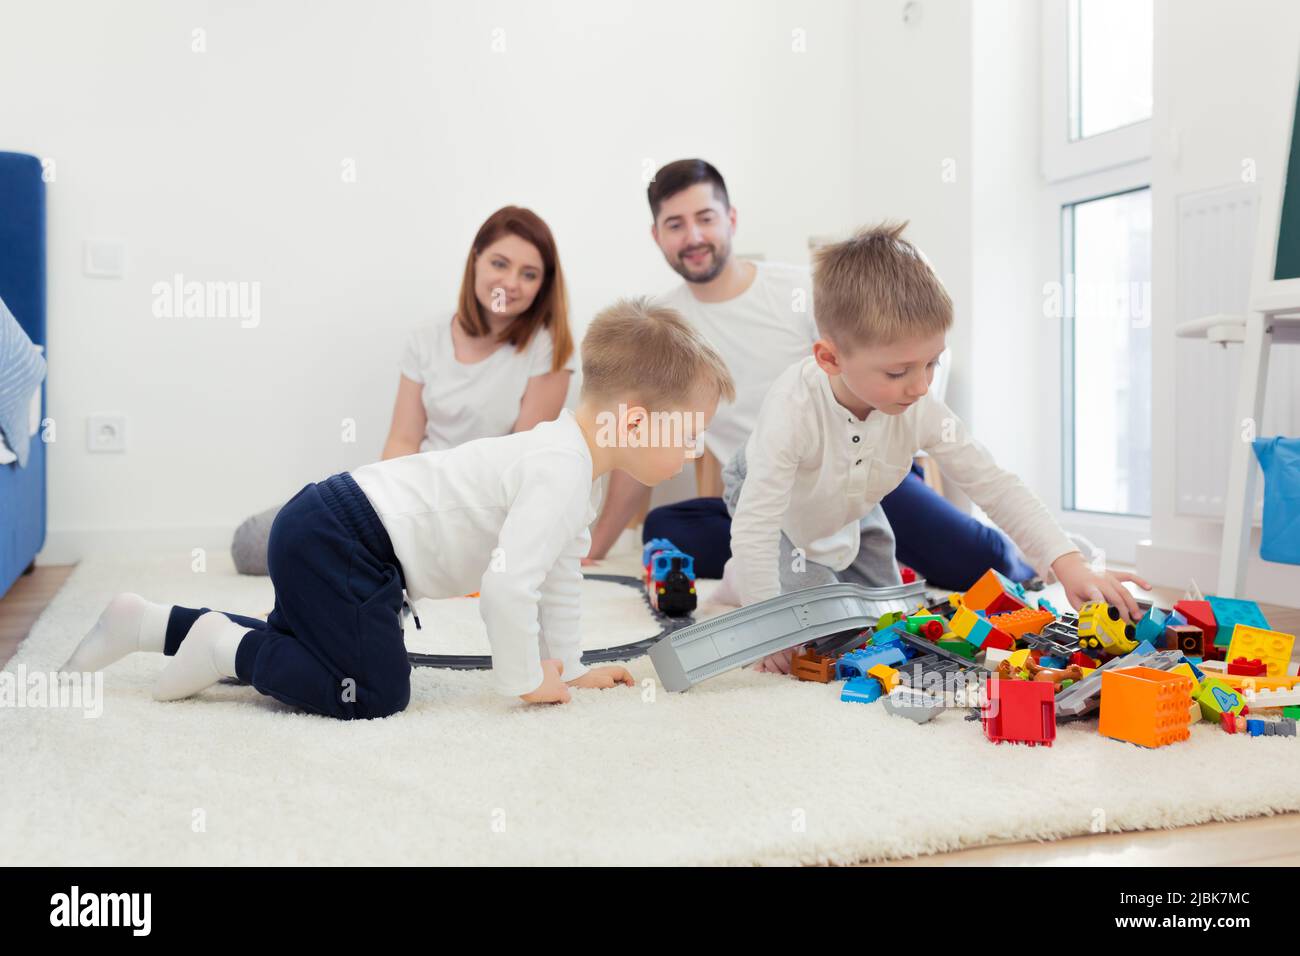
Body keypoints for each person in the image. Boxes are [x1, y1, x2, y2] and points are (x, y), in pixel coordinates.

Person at [61, 299, 734, 717]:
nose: (696, 447)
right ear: (637, 421)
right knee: (375, 692)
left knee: (309, 649)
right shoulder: (559, 469)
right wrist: (523, 681)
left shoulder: (565, 462)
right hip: (346, 541)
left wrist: (573, 666)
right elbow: (506, 589)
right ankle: (224, 646)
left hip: (336, 530)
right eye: (690, 430)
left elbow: (558, 576)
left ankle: (148, 624)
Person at [585, 159, 1038, 591]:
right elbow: (639, 438)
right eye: (676, 225)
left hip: (858, 476)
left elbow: (888, 369)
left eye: (705, 218)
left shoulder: (800, 290)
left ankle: (868, 553)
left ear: (731, 219)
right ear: (656, 235)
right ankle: (805, 561)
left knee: (984, 566)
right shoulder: (667, 325)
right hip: (773, 496)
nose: (694, 236)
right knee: (664, 529)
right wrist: (598, 547)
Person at [726, 222, 1150, 673]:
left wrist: (1070, 564)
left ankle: (813, 576)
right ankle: (740, 583)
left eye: (933, 362)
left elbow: (993, 484)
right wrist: (763, 620)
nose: (922, 385)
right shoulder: (792, 409)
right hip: (775, 509)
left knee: (891, 624)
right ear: (830, 358)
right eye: (898, 372)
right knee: (819, 633)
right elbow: (757, 524)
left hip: (853, 505)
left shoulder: (921, 405)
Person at [231, 205, 575, 574]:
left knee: (327, 554)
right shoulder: (427, 337)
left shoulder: (548, 348)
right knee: (253, 542)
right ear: (475, 259)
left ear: (543, 285)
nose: (510, 283)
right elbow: (403, 440)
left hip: (473, 513)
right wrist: (387, 510)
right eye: (500, 263)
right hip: (414, 494)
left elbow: (519, 464)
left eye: (529, 274)